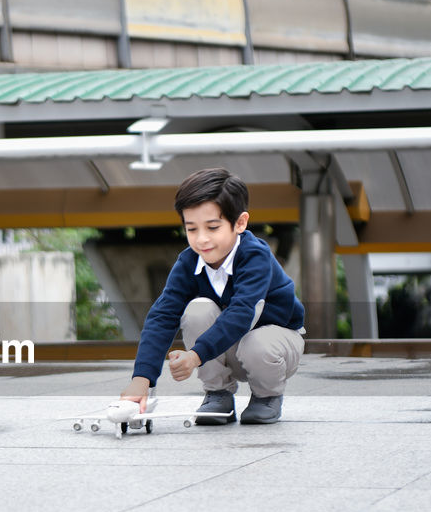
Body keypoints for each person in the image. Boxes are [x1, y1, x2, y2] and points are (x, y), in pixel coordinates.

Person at [119, 168, 306, 425]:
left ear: (239, 223)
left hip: (274, 347)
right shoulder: (188, 263)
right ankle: (218, 395)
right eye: (192, 229)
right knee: (197, 309)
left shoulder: (255, 257)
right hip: (226, 347)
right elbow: (163, 316)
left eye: (213, 227)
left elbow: (242, 314)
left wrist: (194, 356)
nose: (202, 239)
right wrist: (141, 380)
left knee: (257, 341)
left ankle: (267, 397)